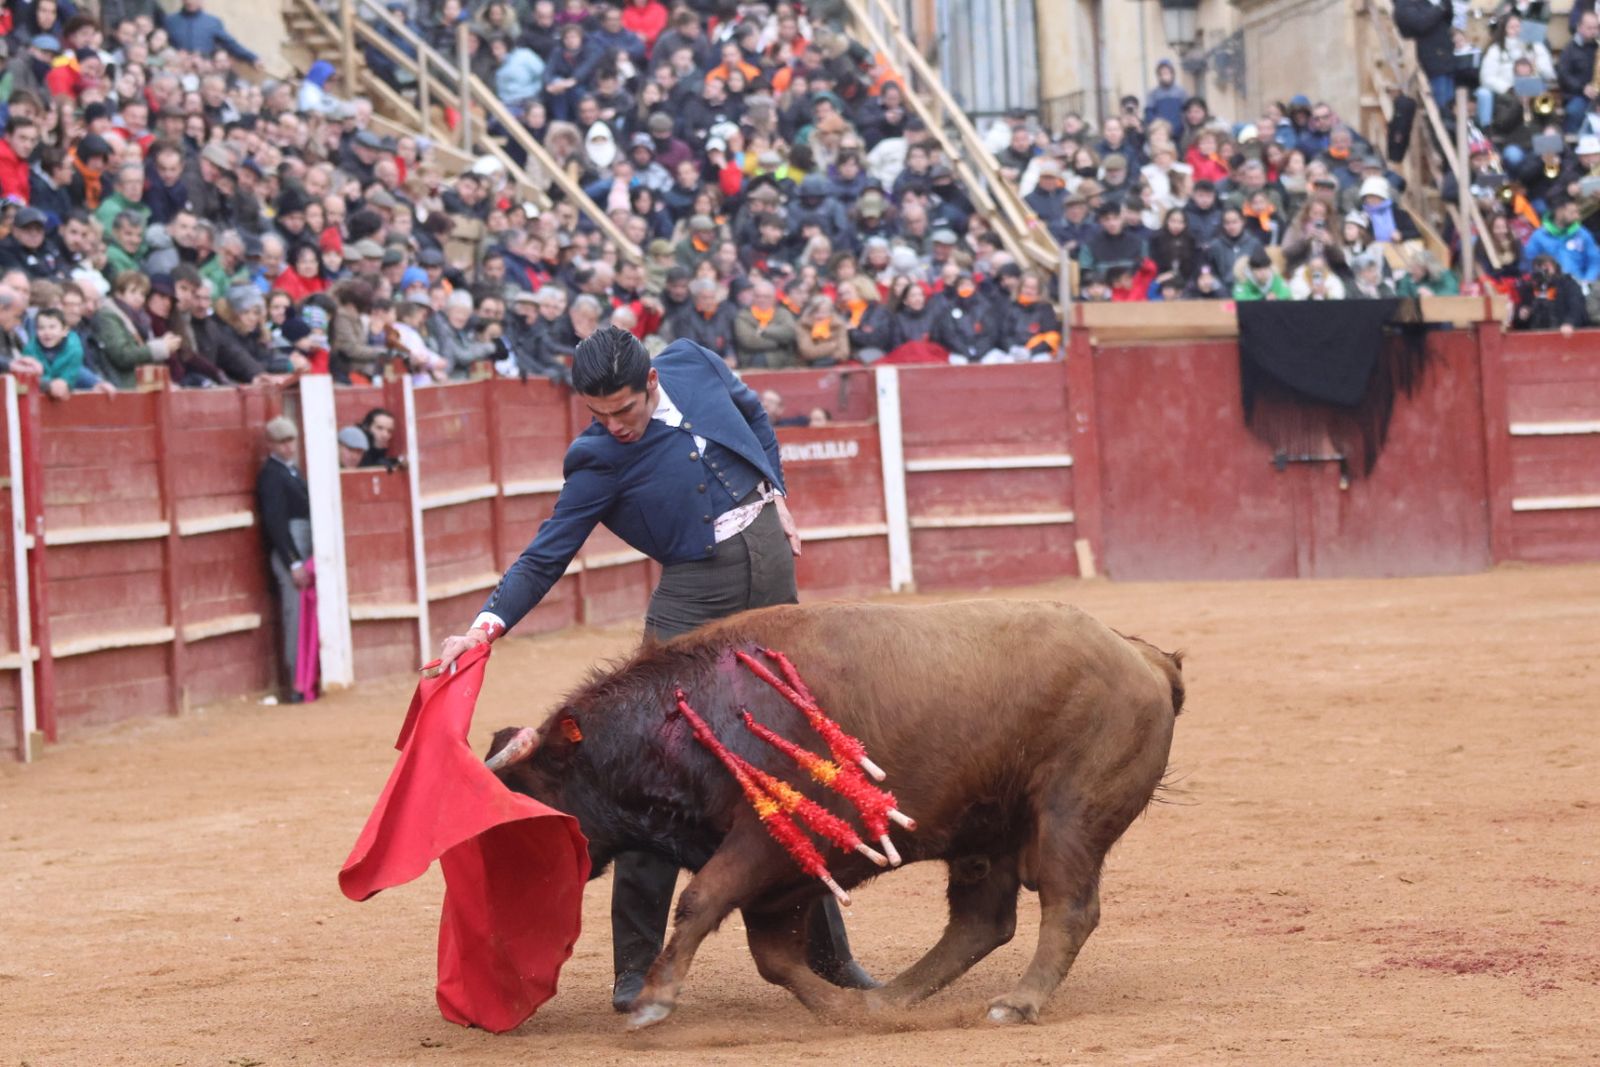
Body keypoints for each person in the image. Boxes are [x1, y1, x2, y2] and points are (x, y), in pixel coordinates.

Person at [430, 326, 871, 1014]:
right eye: (599, 416)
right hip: (695, 592)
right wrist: (485, 625)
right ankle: (635, 967)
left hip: (769, 567)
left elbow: (752, 411)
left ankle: (830, 956)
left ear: (653, 384)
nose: (614, 427)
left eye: (624, 412)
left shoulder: (692, 362)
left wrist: (775, 489)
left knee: (788, 762)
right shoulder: (598, 459)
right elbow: (547, 553)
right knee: (650, 767)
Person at [256, 416, 313, 704]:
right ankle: (295, 684)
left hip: (300, 551)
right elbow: (276, 523)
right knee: (294, 617)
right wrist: (293, 562)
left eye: (291, 440)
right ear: (271, 444)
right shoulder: (271, 475)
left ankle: (304, 679)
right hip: (291, 554)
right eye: (282, 442)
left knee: (301, 616)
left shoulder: (290, 471)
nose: (289, 446)